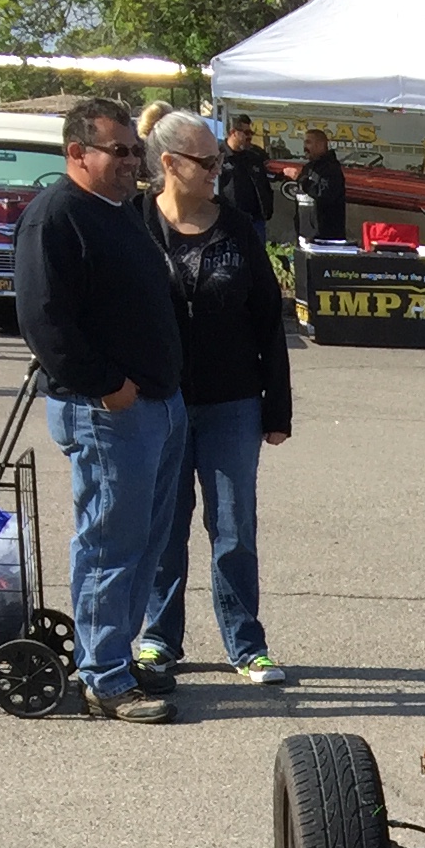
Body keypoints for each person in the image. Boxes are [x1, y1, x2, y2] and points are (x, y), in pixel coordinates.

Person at [14, 95, 187, 722]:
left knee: (145, 543)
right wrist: (108, 384)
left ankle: (116, 652)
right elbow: (45, 322)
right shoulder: (56, 216)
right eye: (120, 150)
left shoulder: (119, 212)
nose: (133, 160)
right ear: (77, 153)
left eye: (136, 150)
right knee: (110, 544)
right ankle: (104, 678)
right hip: (107, 410)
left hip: (157, 405)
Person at [133, 108, 293, 689]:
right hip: (159, 402)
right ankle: (158, 638)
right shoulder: (134, 222)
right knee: (164, 527)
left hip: (233, 402)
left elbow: (268, 321)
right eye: (206, 161)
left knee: (233, 527)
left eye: (219, 159)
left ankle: (247, 645)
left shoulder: (238, 229)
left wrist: (277, 407)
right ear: (169, 163)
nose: (216, 169)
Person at [220, 114, 277, 230]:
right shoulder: (218, 156)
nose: (250, 137)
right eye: (246, 133)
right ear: (233, 132)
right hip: (229, 221)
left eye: (251, 133)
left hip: (255, 220)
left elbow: (266, 180)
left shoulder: (255, 156)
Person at [294, 127, 348, 244]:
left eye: (308, 142)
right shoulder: (308, 168)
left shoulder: (331, 169)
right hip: (305, 234)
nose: (305, 147)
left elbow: (325, 194)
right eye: (304, 142)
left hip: (326, 237)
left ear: (320, 145)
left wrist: (301, 180)